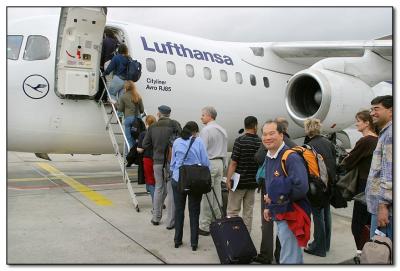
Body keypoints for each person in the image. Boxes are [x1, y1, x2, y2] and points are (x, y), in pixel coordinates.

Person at [262, 120, 311, 264]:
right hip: (281, 212)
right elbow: (271, 186)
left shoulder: (291, 157)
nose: (267, 137)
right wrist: (268, 207)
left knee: (289, 258)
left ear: (281, 135)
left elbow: (301, 188)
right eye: (265, 134)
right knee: (290, 253)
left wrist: (276, 199)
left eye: (272, 133)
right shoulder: (270, 156)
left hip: (292, 215)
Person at [253, 116, 296, 264]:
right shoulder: (294, 145)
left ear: (280, 132)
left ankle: (266, 255)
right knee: (283, 223)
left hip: (271, 187)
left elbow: (258, 158)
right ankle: (280, 254)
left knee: (267, 222)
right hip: (287, 191)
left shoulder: (273, 145)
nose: (268, 136)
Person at [170, 121, 210, 251]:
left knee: (179, 210)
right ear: (195, 131)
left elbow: (173, 162)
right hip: (194, 181)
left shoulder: (176, 142)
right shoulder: (198, 142)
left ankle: (177, 240)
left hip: (178, 178)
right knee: (194, 212)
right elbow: (205, 162)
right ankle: (194, 243)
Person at [341, 110, 378, 251]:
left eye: (359, 120)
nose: (356, 123)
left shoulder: (365, 140)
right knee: (369, 220)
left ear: (367, 123)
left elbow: (348, 162)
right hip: (373, 184)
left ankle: (361, 252)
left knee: (358, 222)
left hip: (364, 184)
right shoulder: (377, 138)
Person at [143, 105, 182, 228]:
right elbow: (181, 141)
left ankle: (156, 218)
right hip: (171, 161)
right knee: (171, 191)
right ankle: (171, 222)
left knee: (159, 188)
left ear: (159, 114)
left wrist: (156, 147)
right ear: (169, 114)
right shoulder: (175, 124)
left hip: (157, 162)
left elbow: (145, 144)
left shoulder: (153, 126)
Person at [302, 118, 336, 258]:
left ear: (307, 129)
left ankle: (318, 247)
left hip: (316, 185)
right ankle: (326, 244)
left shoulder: (309, 146)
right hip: (329, 184)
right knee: (326, 214)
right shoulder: (329, 143)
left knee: (317, 216)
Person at [225, 116, 261, 233]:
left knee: (233, 211)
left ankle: (234, 236)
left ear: (245, 126)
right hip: (252, 183)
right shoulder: (260, 142)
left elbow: (234, 162)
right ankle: (246, 237)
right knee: (248, 212)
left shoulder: (240, 141)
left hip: (238, 183)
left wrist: (228, 179)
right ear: (255, 126)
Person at [365, 95, 392, 240]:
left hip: (386, 210)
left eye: (377, 109)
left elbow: (390, 172)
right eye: (371, 109)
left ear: (391, 111)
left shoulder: (391, 134)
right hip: (384, 207)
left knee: (380, 253)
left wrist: (383, 205)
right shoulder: (386, 133)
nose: (372, 113)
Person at [198, 106, 228, 236]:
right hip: (220, 163)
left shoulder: (206, 130)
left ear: (209, 116)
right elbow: (225, 150)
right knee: (217, 194)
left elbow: (202, 151)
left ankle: (204, 226)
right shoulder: (223, 130)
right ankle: (218, 221)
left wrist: (200, 167)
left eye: (203, 115)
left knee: (207, 196)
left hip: (209, 163)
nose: (201, 117)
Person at [116, 80, 144, 153]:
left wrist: (115, 103)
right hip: (138, 119)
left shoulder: (123, 96)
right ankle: (137, 156)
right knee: (137, 138)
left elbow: (120, 109)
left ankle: (129, 155)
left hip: (129, 119)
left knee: (128, 138)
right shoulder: (138, 96)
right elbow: (142, 110)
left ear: (125, 87)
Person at [137, 115, 157, 202]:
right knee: (158, 181)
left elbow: (140, 150)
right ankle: (159, 200)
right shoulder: (159, 133)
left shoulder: (144, 134)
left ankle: (155, 203)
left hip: (148, 159)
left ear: (146, 123)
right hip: (158, 159)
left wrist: (136, 148)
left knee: (150, 180)